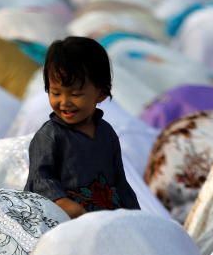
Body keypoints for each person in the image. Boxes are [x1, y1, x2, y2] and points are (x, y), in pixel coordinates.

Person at [25, 36, 139, 218]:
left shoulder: (106, 133)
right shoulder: (49, 135)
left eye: (75, 94)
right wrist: (62, 202)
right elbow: (40, 179)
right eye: (56, 93)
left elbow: (119, 181)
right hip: (63, 220)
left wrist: (135, 215)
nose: (64, 102)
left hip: (108, 218)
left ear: (100, 94)